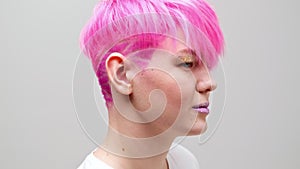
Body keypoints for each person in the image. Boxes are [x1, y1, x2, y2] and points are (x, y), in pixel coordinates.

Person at [77, 0, 224, 168]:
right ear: (122, 75)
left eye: (207, 65)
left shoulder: (185, 162)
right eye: (187, 63)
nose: (209, 83)